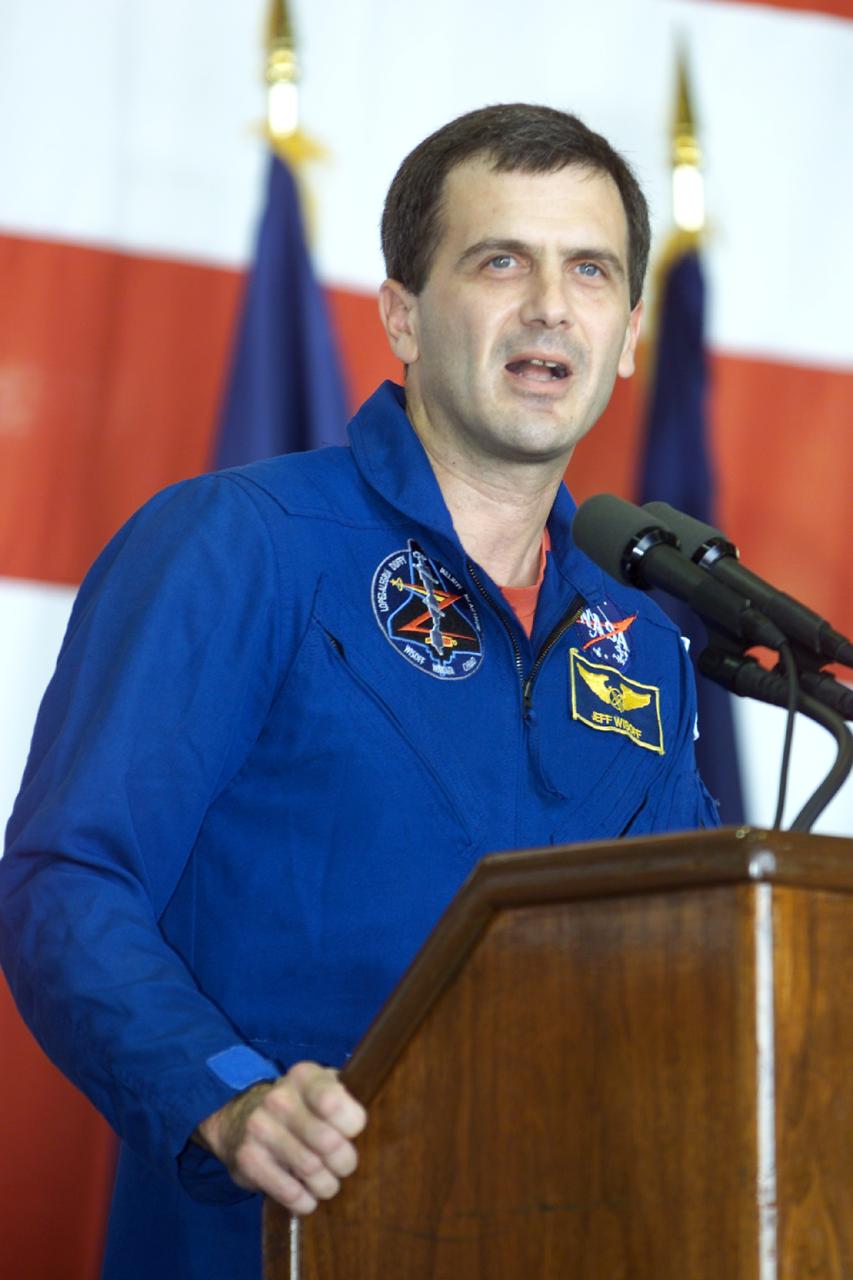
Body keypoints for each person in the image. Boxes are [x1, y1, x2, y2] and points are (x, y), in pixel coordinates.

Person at [0, 103, 718, 1278]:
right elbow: (68, 875)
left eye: (589, 270)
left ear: (629, 332)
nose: (550, 305)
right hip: (275, 1239)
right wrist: (224, 1098)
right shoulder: (241, 544)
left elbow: (683, 965)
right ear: (401, 314)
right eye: (502, 260)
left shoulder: (640, 640)